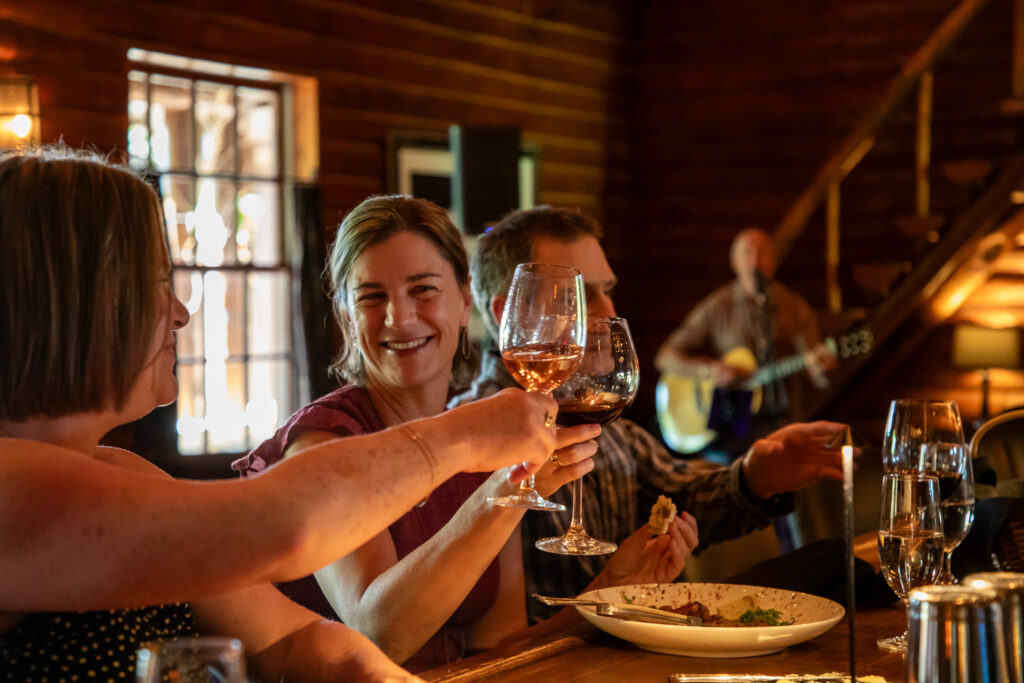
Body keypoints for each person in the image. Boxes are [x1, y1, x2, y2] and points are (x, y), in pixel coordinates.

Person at [0, 147, 569, 682]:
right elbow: (289, 527)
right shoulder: (9, 486)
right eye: (152, 284)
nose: (178, 313)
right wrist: (463, 434)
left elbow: (302, 645)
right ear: (67, 306)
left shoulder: (125, 471)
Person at [233, 195, 699, 671]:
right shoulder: (323, 441)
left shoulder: (488, 432)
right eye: (371, 297)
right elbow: (380, 633)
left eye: (424, 289)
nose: (401, 317)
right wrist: (506, 489)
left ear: (464, 301)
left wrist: (608, 593)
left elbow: (498, 651)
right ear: (346, 316)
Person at [453, 206, 850, 621]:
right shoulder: (471, 442)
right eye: (580, 296)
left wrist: (757, 476)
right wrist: (609, 593)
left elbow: (678, 499)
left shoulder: (606, 426)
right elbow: (489, 647)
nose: (608, 312)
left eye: (607, 289)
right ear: (508, 315)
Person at [654, 227, 834, 458]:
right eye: (747, 253)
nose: (756, 260)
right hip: (731, 431)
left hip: (782, 427)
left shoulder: (794, 307)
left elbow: (816, 370)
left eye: (763, 252)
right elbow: (665, 356)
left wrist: (822, 370)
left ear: (774, 260)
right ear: (734, 262)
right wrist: (708, 370)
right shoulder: (718, 305)